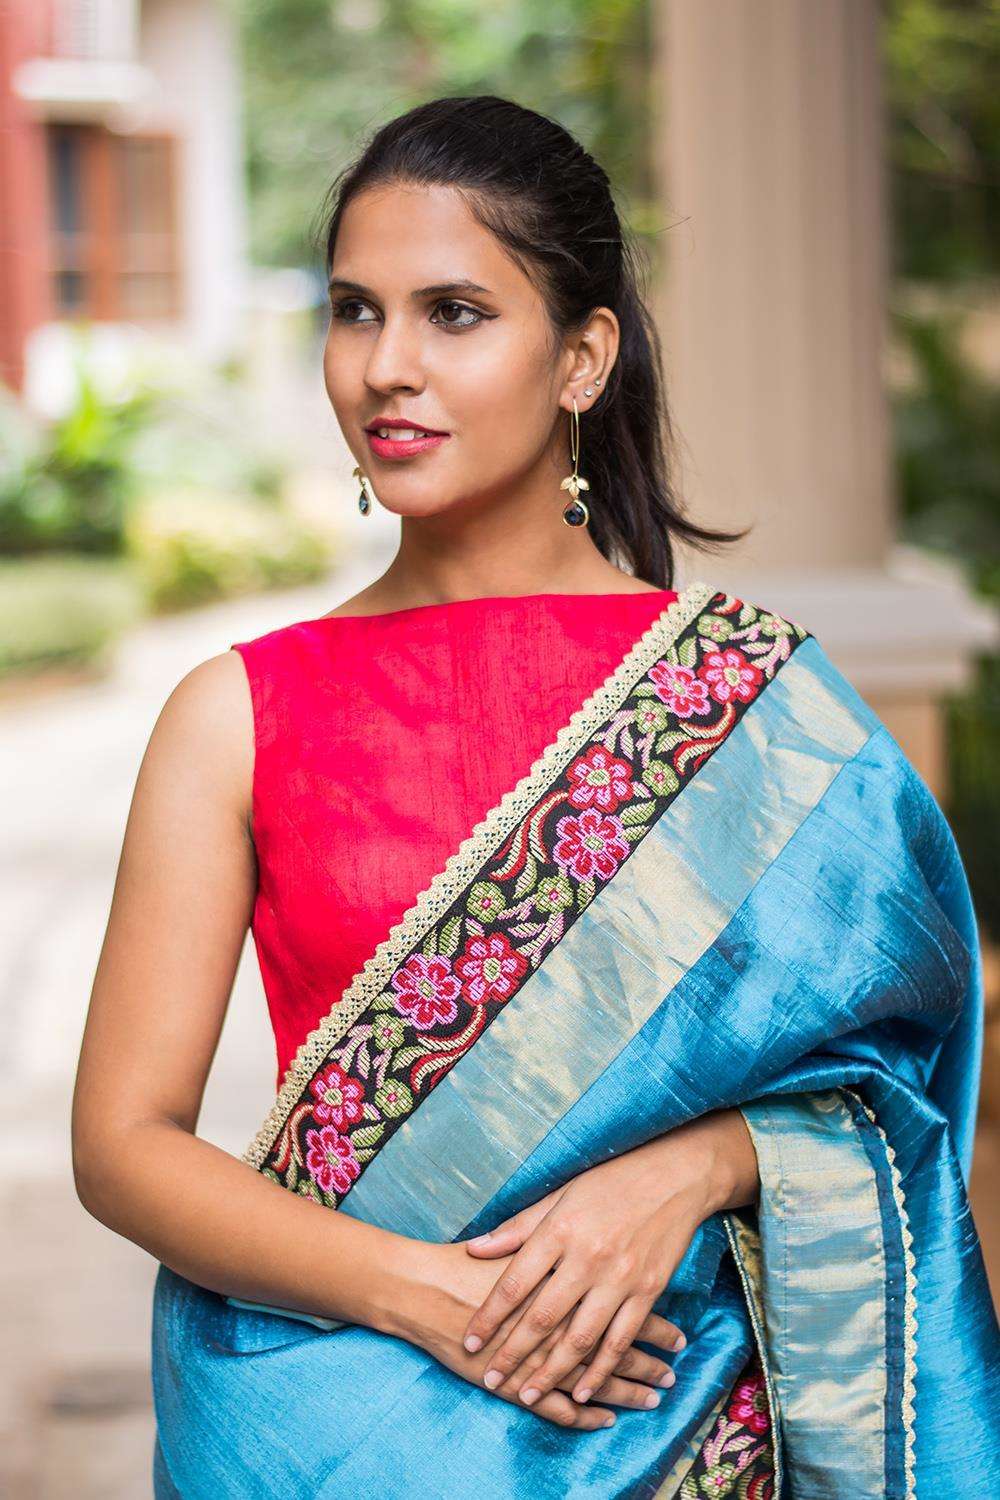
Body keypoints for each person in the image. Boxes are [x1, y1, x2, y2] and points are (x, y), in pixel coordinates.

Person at [71, 95, 999, 1499]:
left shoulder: (750, 704)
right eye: (353, 311)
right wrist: (422, 1295)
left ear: (583, 357)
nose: (387, 367)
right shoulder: (240, 713)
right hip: (333, 1430)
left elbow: (904, 1093)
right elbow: (124, 1144)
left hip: (697, 1423)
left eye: (454, 312)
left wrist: (700, 1165)